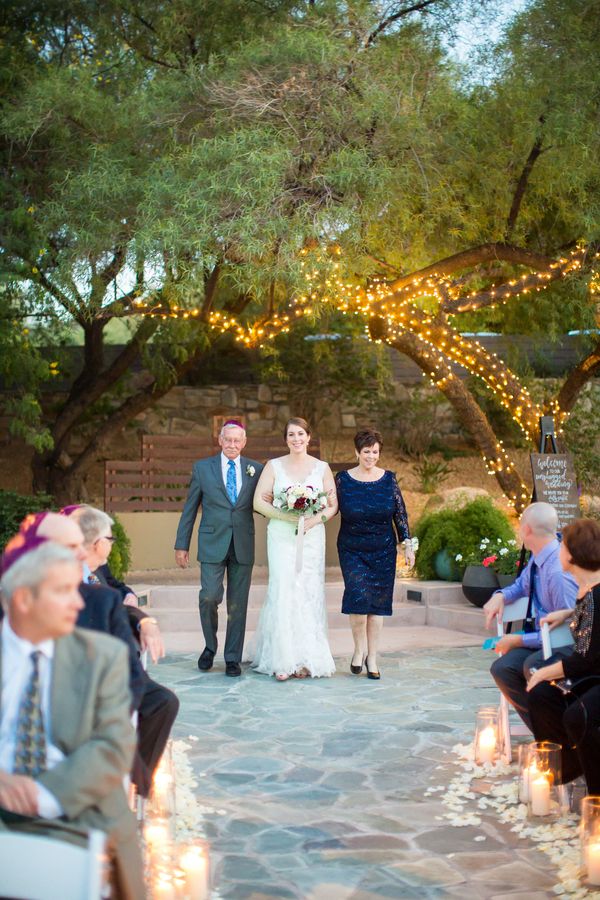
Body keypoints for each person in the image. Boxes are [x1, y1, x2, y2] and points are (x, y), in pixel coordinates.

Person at [0, 541, 145, 900]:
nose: (79, 604)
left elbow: (114, 745)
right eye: (64, 591)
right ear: (22, 599)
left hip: (79, 814)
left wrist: (42, 794)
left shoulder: (101, 657)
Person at [69, 506, 179, 791]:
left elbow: (115, 600)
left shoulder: (97, 579)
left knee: (163, 702)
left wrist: (145, 621)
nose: (112, 543)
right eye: (109, 538)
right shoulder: (55, 579)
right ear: (96, 543)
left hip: (111, 668)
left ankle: (134, 782)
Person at [251, 417, 338, 681]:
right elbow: (259, 502)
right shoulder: (273, 466)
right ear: (286, 439)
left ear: (309, 437)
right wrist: (285, 515)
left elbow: (332, 505)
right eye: (291, 435)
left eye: (301, 434)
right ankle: (282, 659)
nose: (296, 439)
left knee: (308, 591)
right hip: (281, 535)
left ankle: (306, 659)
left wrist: (313, 520)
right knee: (284, 588)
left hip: (311, 536)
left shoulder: (322, 468)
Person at [174, 421, 263, 676]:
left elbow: (265, 502)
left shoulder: (256, 469)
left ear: (244, 442)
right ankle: (210, 647)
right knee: (209, 596)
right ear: (220, 440)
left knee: (238, 604)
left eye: (238, 440)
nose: (233, 445)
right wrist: (182, 544)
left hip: (243, 544)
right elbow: (190, 509)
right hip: (212, 542)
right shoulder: (203, 469)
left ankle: (232, 657)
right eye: (228, 440)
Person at [483, 501, 578, 729]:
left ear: (526, 529)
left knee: (532, 666)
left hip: (567, 645)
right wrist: (501, 595)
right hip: (542, 640)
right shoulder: (538, 558)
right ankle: (544, 728)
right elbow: (520, 586)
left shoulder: (557, 572)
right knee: (502, 668)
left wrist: (517, 640)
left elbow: (570, 628)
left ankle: (559, 731)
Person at [527, 519, 600, 793]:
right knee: (542, 695)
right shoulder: (589, 588)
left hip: (592, 669)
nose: (559, 550)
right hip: (593, 669)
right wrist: (569, 613)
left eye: (563, 545)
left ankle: (596, 793)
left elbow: (584, 658)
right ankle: (563, 767)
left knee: (577, 715)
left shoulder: (594, 595)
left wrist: (544, 672)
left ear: (571, 555)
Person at [335, 429, 413, 680]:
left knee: (377, 607)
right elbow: (329, 508)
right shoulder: (343, 480)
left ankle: (373, 657)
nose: (371, 456)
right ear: (357, 452)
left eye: (375, 452)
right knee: (358, 601)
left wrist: (407, 544)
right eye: (366, 451)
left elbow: (400, 515)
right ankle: (358, 650)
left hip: (383, 549)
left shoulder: (389, 479)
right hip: (352, 548)